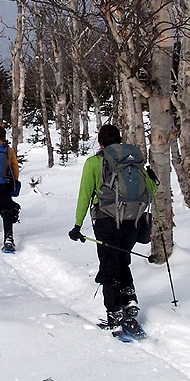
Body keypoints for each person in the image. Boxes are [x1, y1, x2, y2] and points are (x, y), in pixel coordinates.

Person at [68, 124, 156, 338]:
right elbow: (151, 191)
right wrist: (152, 177)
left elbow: (85, 194)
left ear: (100, 143)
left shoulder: (94, 163)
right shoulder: (133, 162)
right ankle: (129, 298)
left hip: (106, 220)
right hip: (132, 221)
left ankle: (114, 316)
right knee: (122, 259)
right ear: (119, 140)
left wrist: (77, 225)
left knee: (109, 265)